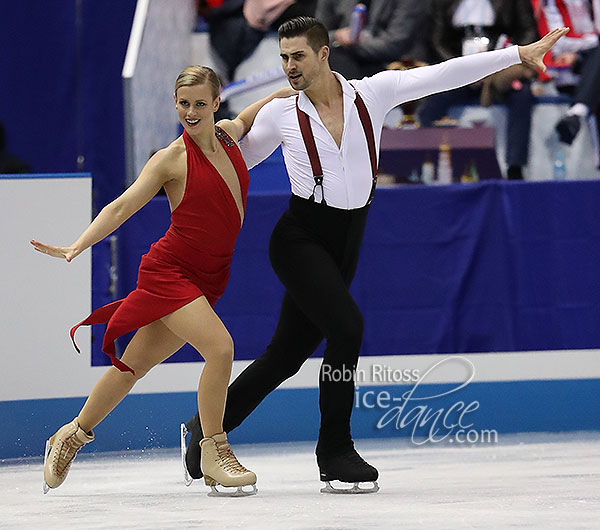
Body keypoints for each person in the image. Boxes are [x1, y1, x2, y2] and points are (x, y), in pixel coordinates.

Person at [182, 16, 568, 493]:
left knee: (284, 356)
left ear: (324, 54)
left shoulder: (373, 94)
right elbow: (235, 160)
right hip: (299, 238)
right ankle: (335, 450)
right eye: (283, 57)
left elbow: (445, 72)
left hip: (348, 239)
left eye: (297, 55)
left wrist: (516, 54)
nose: (289, 67)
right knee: (348, 327)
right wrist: (216, 139)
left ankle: (203, 431)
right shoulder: (281, 114)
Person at [32, 65, 293, 496]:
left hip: (208, 277)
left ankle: (71, 435)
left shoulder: (228, 136)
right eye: (183, 104)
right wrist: (78, 244)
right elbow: (120, 207)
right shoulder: (171, 159)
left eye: (199, 104)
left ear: (216, 102)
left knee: (133, 366)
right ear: (176, 104)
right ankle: (215, 450)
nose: (191, 112)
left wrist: (297, 87)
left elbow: (254, 111)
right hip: (170, 272)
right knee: (221, 348)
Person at [418, 0, 540, 181]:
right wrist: (463, 69)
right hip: (458, 69)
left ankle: (515, 168)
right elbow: (437, 41)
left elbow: (528, 32)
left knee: (522, 95)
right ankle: (427, 163)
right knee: (431, 101)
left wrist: (507, 60)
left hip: (501, 67)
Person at [533, 0, 600, 163]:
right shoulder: (550, 4)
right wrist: (584, 48)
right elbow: (557, 40)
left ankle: (577, 112)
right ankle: (579, 111)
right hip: (565, 70)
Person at [315, 0, 431, 79]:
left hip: (392, 63)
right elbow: (317, 35)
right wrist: (338, 36)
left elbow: (395, 45)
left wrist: (352, 42)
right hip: (344, 58)